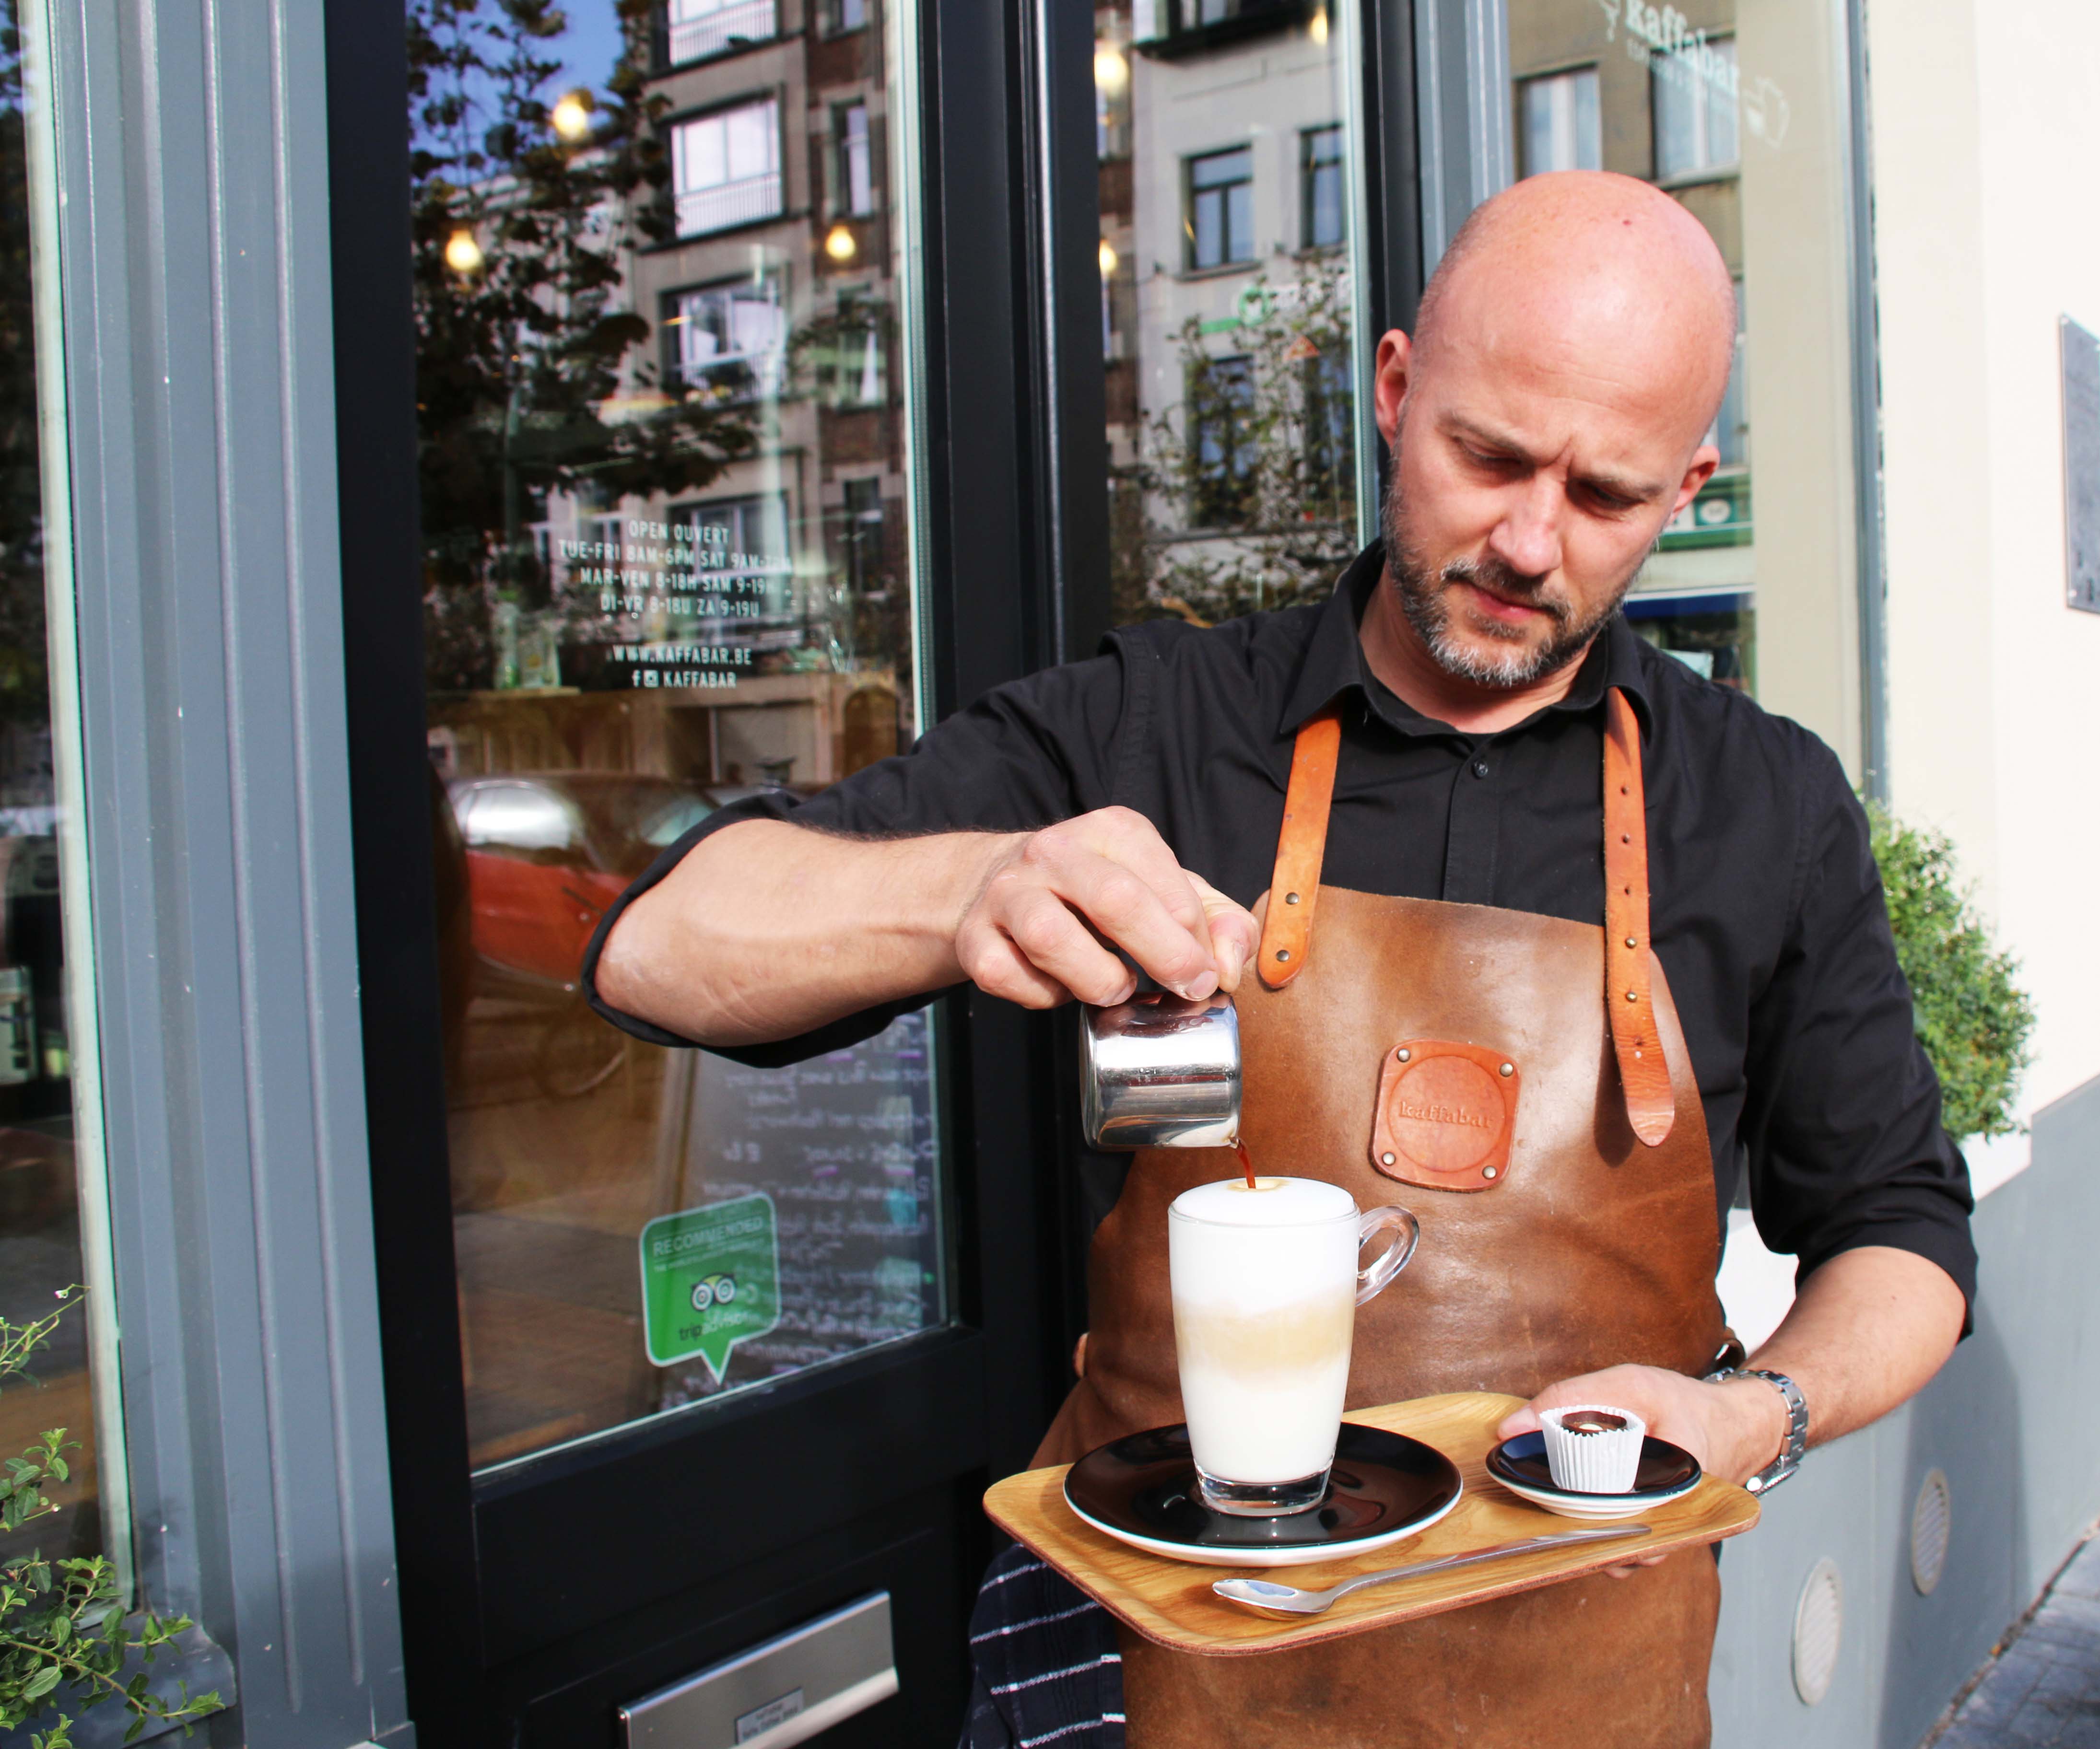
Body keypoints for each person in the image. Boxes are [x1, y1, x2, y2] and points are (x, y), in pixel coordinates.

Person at [589, 170, 1974, 1749]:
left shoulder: (1766, 806)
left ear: (1688, 488)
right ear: (1395, 392)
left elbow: (1906, 1233)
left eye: (1605, 497)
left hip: (1585, 1677)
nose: (1529, 541)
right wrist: (973, 886)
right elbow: (657, 944)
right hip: (1151, 1668)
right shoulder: (1153, 728)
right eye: (1489, 455)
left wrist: (1755, 1414)